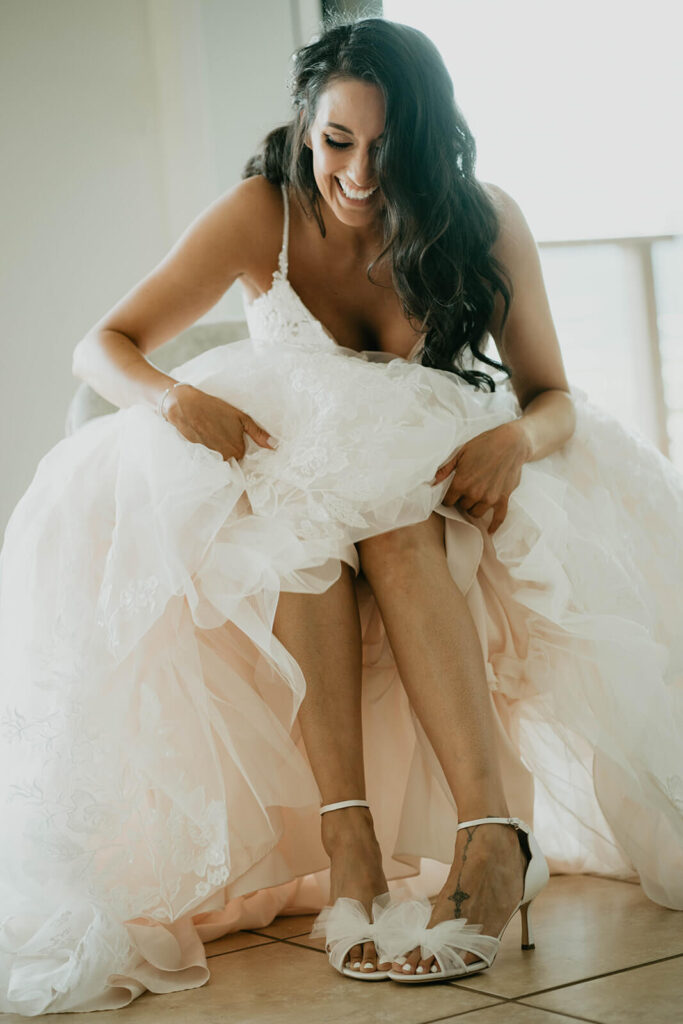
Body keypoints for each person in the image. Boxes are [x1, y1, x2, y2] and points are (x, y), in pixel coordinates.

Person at [1, 14, 682, 1015]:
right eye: (335, 143)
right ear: (304, 129)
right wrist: (173, 397)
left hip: (424, 474)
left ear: (431, 141)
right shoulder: (258, 210)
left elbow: (553, 399)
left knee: (399, 528)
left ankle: (489, 839)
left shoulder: (482, 220)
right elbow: (100, 344)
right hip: (281, 477)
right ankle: (348, 845)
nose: (359, 173)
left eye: (386, 147)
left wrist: (510, 439)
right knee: (304, 542)